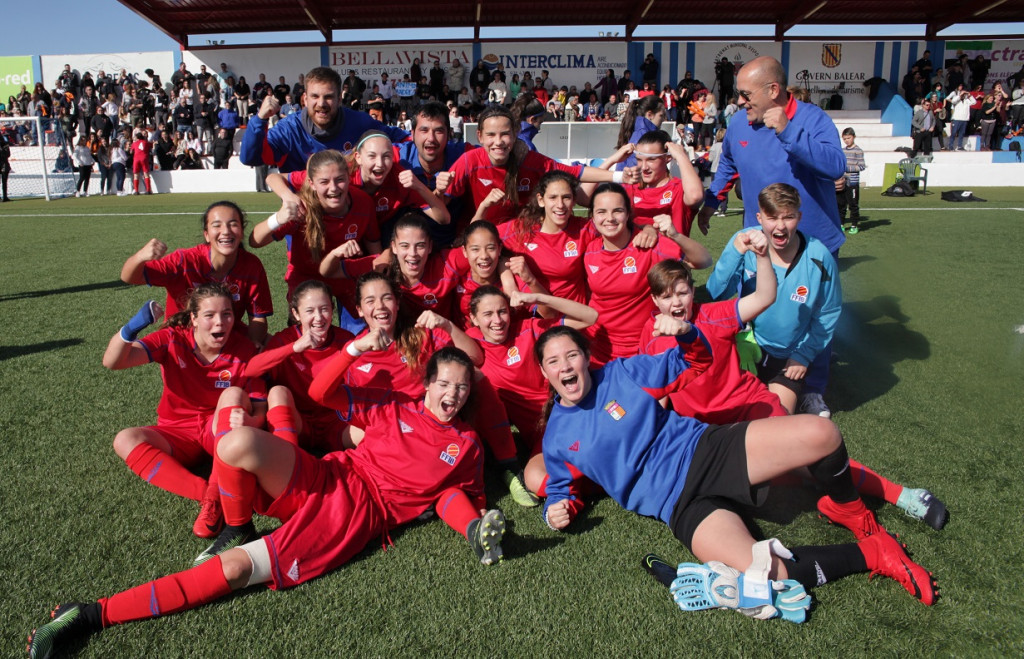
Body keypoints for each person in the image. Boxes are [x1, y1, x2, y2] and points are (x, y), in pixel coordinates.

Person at [27, 347, 509, 658]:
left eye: (462, 387)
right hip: (332, 473)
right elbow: (321, 391)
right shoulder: (393, 406)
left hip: (354, 514)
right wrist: (355, 348)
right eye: (444, 383)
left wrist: (473, 528)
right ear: (426, 384)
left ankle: (90, 613)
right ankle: (237, 525)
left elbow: (455, 496)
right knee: (236, 442)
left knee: (236, 571)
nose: (452, 394)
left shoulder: (466, 445)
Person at [536, 323, 937, 623]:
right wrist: (556, 510)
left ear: (586, 358)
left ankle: (850, 511)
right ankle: (875, 552)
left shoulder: (622, 374)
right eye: (553, 361)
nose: (565, 367)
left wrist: (687, 333)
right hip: (678, 505)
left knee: (821, 432)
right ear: (544, 371)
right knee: (767, 575)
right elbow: (559, 491)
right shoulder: (556, 437)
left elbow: (695, 360)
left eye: (571, 355)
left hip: (706, 451)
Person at [640, 258, 949, 530]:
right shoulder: (650, 335)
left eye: (682, 292)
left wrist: (761, 255)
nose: (676, 302)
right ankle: (824, 491)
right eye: (666, 296)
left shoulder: (715, 314)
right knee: (771, 476)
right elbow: (659, 394)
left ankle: (901, 494)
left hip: (750, 408)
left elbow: (764, 296)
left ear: (693, 291)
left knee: (805, 456)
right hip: (711, 431)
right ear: (655, 300)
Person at [697, 56, 845, 418]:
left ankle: (812, 389)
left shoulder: (811, 119)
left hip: (813, 241)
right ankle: (754, 374)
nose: (741, 101)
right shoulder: (737, 124)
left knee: (811, 313)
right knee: (756, 311)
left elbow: (836, 167)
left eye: (747, 94)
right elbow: (728, 165)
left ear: (773, 90)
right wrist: (712, 201)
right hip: (759, 245)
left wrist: (788, 132)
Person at [100, 284, 267, 538]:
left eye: (227, 314)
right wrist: (132, 328)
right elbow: (113, 362)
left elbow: (260, 408)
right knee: (125, 439)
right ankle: (209, 496)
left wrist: (251, 422)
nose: (219, 322)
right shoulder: (172, 338)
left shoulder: (244, 350)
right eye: (209, 315)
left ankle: (215, 492)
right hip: (177, 431)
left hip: (218, 432)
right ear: (194, 318)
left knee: (232, 394)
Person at [706, 183, 839, 418]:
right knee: (725, 413)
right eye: (772, 217)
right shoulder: (744, 241)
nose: (780, 226)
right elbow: (716, 295)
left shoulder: (819, 256)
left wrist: (803, 355)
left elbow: (828, 312)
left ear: (799, 216)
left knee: (776, 417)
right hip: (745, 347)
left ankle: (808, 391)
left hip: (788, 357)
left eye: (788, 217)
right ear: (759, 217)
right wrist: (736, 253)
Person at [467, 285, 596, 497]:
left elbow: (590, 317)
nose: (497, 321)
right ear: (474, 318)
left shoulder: (529, 328)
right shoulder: (472, 345)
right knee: (535, 480)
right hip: (541, 435)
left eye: (502, 311)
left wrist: (538, 298)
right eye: (488, 314)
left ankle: (589, 480)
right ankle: (589, 482)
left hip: (571, 414)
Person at [440, 105, 639, 229]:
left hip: (519, 239)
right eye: (491, 135)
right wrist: (438, 189)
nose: (498, 142)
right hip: (480, 241)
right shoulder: (469, 161)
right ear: (480, 137)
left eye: (505, 134)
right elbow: (440, 206)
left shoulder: (531, 161)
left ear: (516, 133)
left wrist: (621, 176)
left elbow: (575, 172)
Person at [582, 182, 710, 366]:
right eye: (601, 212)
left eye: (617, 210)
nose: (609, 218)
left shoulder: (648, 246)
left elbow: (703, 261)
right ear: (592, 217)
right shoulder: (590, 250)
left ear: (627, 214)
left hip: (642, 347)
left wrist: (674, 236)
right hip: (598, 347)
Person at [120, 201, 273, 345]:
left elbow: (257, 318)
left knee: (276, 347)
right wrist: (140, 257)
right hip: (181, 341)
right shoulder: (184, 261)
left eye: (233, 224)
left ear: (242, 232)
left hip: (224, 337)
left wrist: (253, 347)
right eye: (217, 225)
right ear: (206, 234)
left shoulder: (252, 265)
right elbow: (129, 277)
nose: (226, 231)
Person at [255, 149, 379, 318]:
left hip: (344, 274)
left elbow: (374, 247)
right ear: (312, 183)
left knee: (372, 317)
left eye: (340, 180)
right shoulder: (302, 208)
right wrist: (278, 218)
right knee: (307, 328)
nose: (333, 188)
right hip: (306, 277)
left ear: (349, 178)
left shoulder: (363, 202)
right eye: (324, 182)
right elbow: (255, 240)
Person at [242, 280, 356, 452]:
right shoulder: (285, 340)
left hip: (338, 423)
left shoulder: (346, 340)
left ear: (332, 309)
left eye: (324, 309)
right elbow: (251, 370)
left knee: (373, 431)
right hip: (298, 422)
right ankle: (287, 459)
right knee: (277, 392)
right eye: (309, 311)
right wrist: (294, 347)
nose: (318, 317)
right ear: (296, 314)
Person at [240, 67, 407, 174]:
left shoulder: (360, 123)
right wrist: (259, 119)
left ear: (339, 100)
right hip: (304, 217)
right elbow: (251, 158)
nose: (321, 104)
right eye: (315, 96)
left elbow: (401, 137)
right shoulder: (289, 129)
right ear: (304, 99)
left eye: (328, 97)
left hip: (347, 219)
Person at [593, 131, 702, 256]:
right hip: (635, 267)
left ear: (668, 157)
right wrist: (613, 159)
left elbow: (695, 196)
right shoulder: (631, 188)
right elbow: (583, 197)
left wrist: (681, 156)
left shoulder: (678, 188)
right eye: (639, 160)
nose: (644, 167)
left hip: (669, 269)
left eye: (651, 159)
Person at [395, 102, 474, 245]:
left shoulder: (464, 155)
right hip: (410, 249)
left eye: (438, 131)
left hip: (454, 245)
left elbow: (493, 150)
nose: (431, 138)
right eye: (424, 130)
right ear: (412, 134)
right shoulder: (398, 156)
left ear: (449, 134)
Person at [347, 129, 450, 239]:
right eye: (372, 156)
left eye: (386, 156)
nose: (380, 164)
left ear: (392, 157)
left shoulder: (399, 178)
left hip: (382, 234)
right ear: (358, 157)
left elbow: (444, 218)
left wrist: (419, 186)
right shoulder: (343, 178)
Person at [837, 128, 865, 233]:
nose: (847, 140)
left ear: (854, 137)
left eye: (848, 138)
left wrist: (848, 169)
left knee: (853, 204)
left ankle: (854, 225)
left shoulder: (858, 151)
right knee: (841, 204)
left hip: (852, 182)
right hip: (842, 182)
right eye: (844, 139)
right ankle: (841, 224)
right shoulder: (842, 151)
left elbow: (862, 166)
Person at [130, 129, 154, 194]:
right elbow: (151, 147)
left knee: (136, 174)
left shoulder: (134, 143)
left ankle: (136, 190)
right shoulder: (146, 142)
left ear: (137, 137)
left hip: (136, 159)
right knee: (146, 174)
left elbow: (131, 151)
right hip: (144, 158)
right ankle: (148, 190)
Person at [0, 132, 10, 201]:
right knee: (4, 181)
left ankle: (5, 197)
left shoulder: (5, 145)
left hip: (4, 164)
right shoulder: (5, 145)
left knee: (4, 181)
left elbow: (8, 154)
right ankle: (5, 197)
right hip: (4, 164)